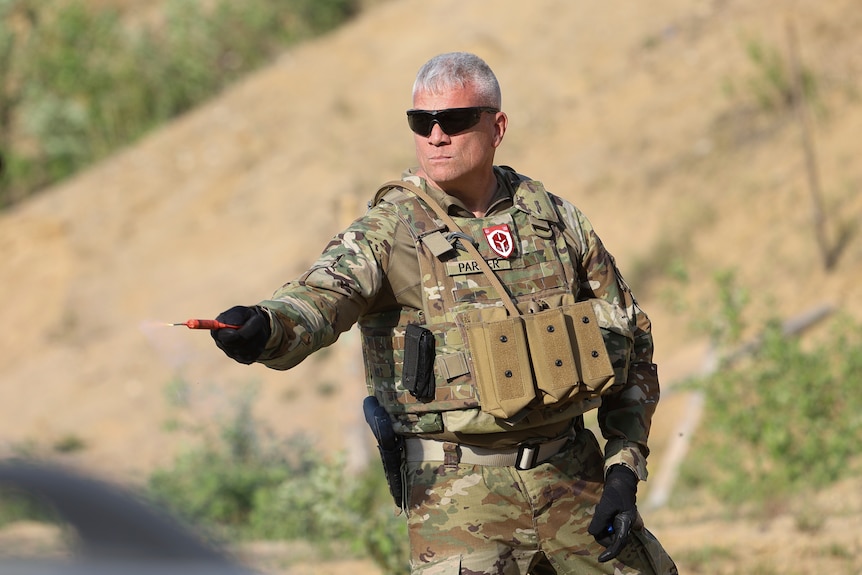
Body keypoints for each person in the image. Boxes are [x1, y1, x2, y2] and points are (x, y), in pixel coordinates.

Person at [210, 52, 677, 575]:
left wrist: (622, 470)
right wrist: (268, 326)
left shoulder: (553, 218)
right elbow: (321, 296)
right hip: (459, 497)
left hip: (574, 476)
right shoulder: (390, 230)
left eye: (453, 120)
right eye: (421, 121)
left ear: (496, 126)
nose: (436, 135)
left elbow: (629, 334)